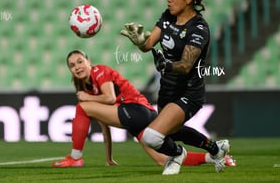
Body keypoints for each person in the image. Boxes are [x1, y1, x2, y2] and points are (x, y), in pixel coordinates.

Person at [51, 50, 236, 169]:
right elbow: (104, 123)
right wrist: (108, 157)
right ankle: (215, 156)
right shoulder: (88, 88)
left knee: (82, 107)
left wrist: (86, 98)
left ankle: (75, 157)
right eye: (72, 65)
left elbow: (110, 98)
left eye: (79, 61)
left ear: (88, 61)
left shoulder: (99, 71)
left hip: (134, 109)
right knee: (164, 159)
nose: (77, 67)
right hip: (137, 118)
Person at [121, 0, 230, 175]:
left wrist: (166, 65)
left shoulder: (199, 28)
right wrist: (139, 41)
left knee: (151, 137)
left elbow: (187, 65)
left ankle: (177, 154)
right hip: (168, 89)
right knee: (172, 131)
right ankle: (216, 149)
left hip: (189, 92)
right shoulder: (167, 17)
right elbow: (148, 45)